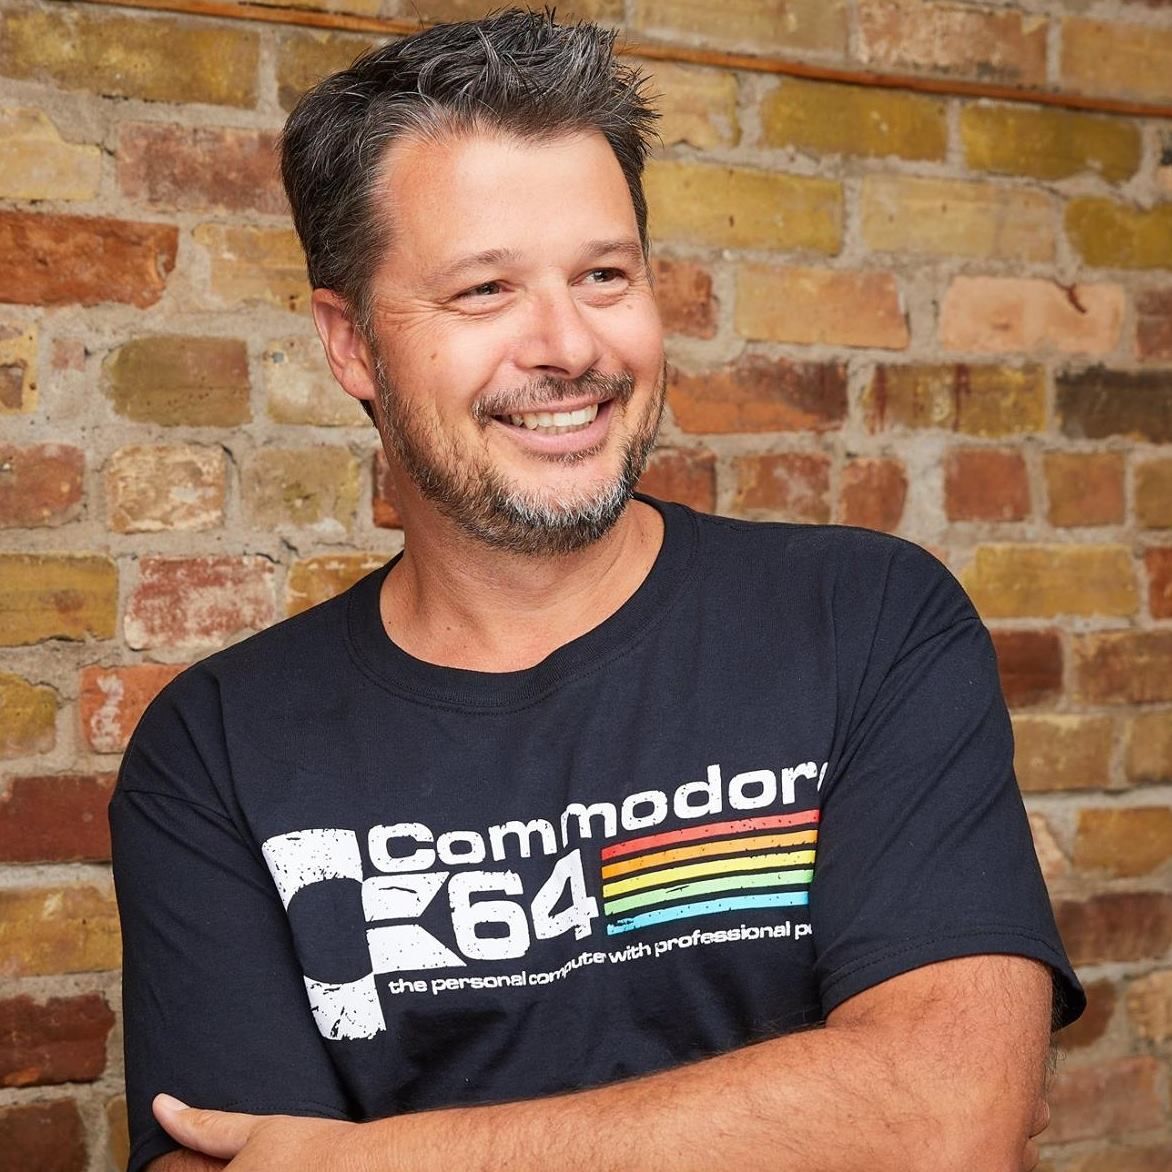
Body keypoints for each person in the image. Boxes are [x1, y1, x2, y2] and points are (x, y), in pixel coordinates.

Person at [110, 10, 1084, 1172]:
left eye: (603, 274)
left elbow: (942, 1114)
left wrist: (379, 1157)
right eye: (484, 290)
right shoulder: (218, 748)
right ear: (353, 343)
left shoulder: (865, 621)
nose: (567, 344)